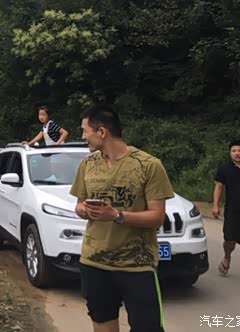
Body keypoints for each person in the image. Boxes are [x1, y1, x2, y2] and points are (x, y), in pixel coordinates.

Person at [70, 105, 173, 332]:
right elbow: (78, 205)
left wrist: (116, 216)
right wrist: (85, 210)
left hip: (137, 266)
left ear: (102, 132)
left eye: (85, 131)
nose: (83, 136)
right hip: (94, 263)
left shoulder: (149, 165)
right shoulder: (87, 164)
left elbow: (157, 217)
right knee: (102, 322)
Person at [212, 140, 240, 280]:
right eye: (234, 151)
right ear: (230, 153)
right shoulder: (224, 169)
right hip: (233, 211)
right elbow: (219, 187)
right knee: (230, 240)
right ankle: (227, 256)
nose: (237, 153)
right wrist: (215, 205)